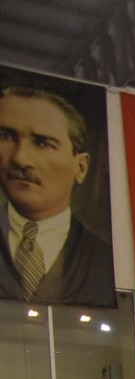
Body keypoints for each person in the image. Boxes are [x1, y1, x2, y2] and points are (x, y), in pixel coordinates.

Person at [0, 84, 115, 306]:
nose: (20, 158)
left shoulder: (104, 260)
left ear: (80, 167)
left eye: (43, 143)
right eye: (6, 136)